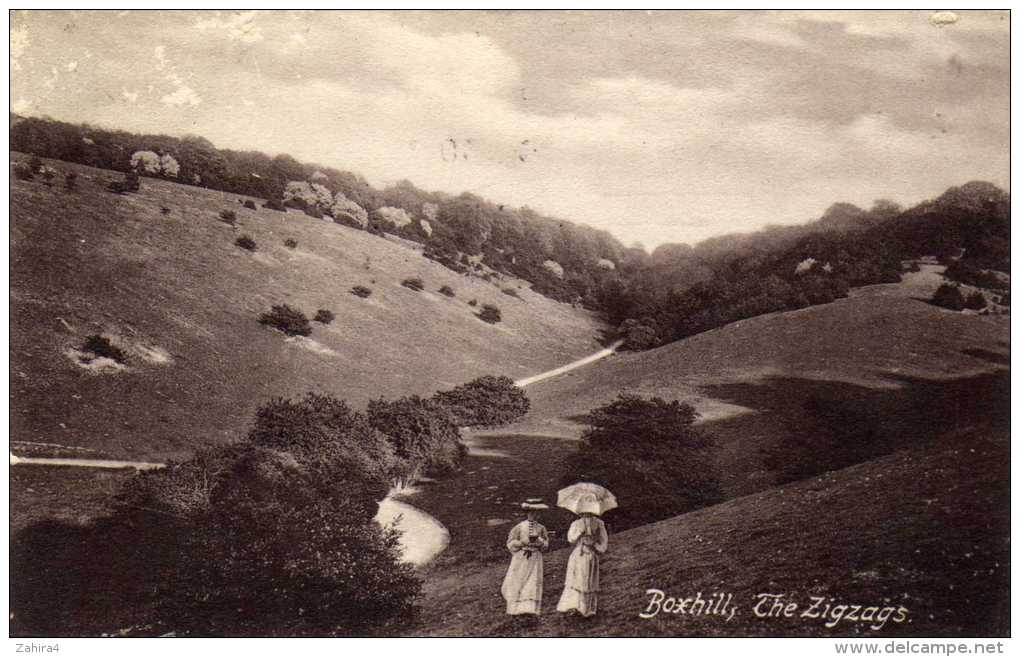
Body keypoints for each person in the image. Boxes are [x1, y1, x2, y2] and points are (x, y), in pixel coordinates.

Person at [556, 495, 609, 617]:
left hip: (591, 555)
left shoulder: (599, 523)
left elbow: (604, 540)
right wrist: (580, 533)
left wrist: (596, 546)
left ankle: (588, 609)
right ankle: (573, 607)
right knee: (577, 581)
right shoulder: (576, 524)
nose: (587, 511)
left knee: (589, 581)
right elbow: (570, 539)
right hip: (579, 555)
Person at [500, 499, 550, 616]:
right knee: (518, 580)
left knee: (533, 581)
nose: (534, 515)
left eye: (537, 512)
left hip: (535, 558)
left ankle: (529, 609)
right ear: (527, 513)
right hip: (521, 557)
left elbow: (546, 545)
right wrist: (522, 542)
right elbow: (510, 543)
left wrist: (539, 540)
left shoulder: (541, 528)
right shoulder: (519, 527)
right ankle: (514, 608)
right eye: (532, 512)